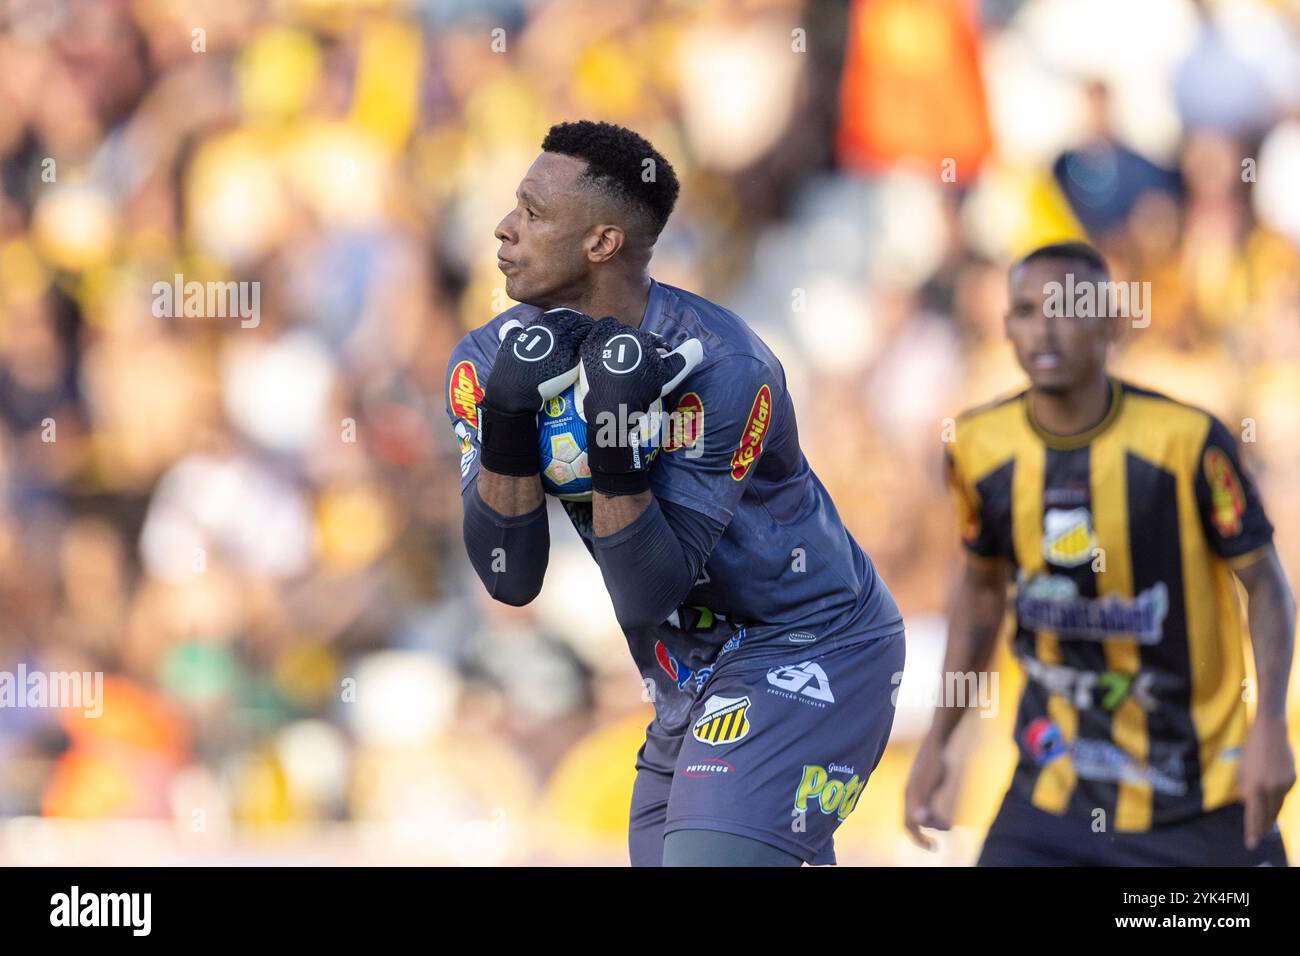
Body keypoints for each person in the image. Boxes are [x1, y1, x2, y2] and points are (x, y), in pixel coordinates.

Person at [445, 120, 905, 866]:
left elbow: (649, 586)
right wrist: (505, 423)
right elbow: (509, 577)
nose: (504, 228)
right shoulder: (488, 361)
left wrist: (618, 453)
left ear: (601, 243)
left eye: (532, 213)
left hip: (810, 642)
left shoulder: (722, 365)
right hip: (685, 671)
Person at [905, 240, 1295, 865]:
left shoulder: (1188, 442)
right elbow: (981, 594)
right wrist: (939, 741)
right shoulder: (978, 447)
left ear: (1111, 321)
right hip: (1052, 795)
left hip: (1197, 800)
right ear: (1006, 325)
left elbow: (1268, 585)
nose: (1045, 329)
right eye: (1028, 310)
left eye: (1067, 308)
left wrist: (1271, 724)